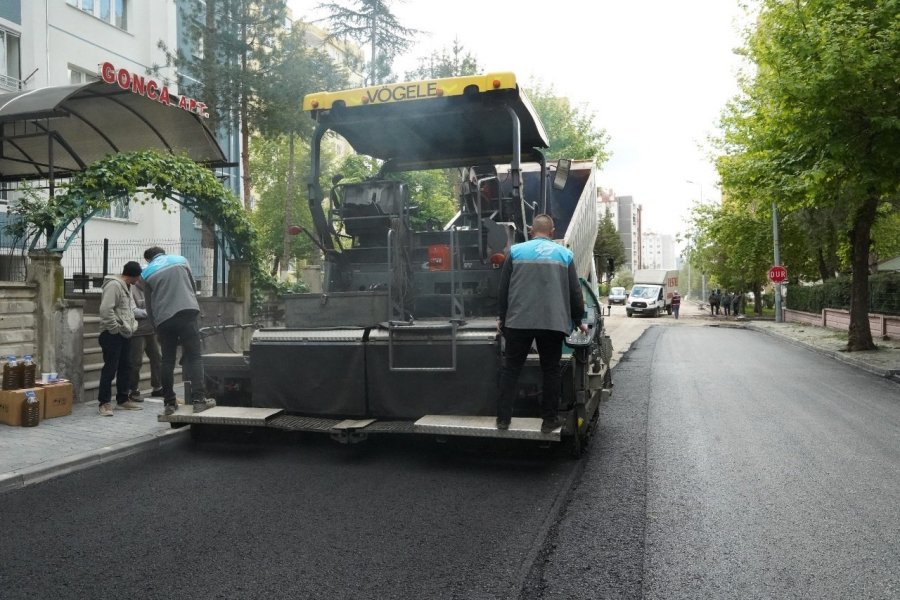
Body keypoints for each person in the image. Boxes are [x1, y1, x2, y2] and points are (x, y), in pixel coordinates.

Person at [496, 214, 587, 434]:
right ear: (553, 231)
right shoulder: (565, 255)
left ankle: (503, 420)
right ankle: (549, 421)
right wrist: (579, 320)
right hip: (552, 323)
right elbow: (575, 291)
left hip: (519, 321)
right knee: (550, 371)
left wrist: (502, 317)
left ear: (530, 230)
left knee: (511, 370)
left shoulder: (515, 252)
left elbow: (504, 289)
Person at [141, 246, 215, 416]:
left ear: (148, 260)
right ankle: (199, 401)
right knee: (195, 357)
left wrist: (156, 328)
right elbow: (191, 287)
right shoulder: (181, 260)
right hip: (187, 312)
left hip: (164, 320)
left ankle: (169, 403)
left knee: (167, 360)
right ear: (163, 253)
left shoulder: (146, 274)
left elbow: (149, 305)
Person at [97, 261, 144, 416]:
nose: (138, 280)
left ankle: (123, 399)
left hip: (125, 333)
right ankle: (104, 403)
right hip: (112, 334)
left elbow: (128, 310)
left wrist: (132, 325)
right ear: (134, 276)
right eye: (138, 277)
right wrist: (114, 329)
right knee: (110, 368)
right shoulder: (114, 285)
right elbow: (105, 309)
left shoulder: (127, 287)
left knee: (126, 366)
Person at [127, 276, 163, 402]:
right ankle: (133, 390)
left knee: (157, 358)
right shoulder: (131, 289)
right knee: (136, 361)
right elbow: (133, 311)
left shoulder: (152, 289)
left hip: (151, 330)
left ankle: (157, 387)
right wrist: (150, 311)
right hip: (137, 332)